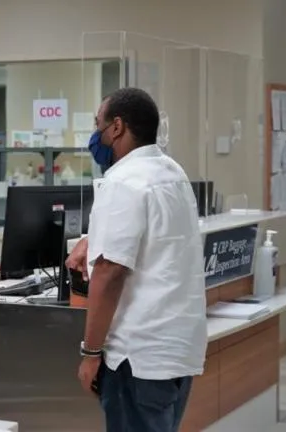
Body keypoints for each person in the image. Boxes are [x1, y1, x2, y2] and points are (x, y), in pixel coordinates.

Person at [67, 88, 207, 432]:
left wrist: (90, 353)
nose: (95, 134)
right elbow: (155, 238)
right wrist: (93, 239)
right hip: (176, 350)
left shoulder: (124, 181)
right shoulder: (172, 172)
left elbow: (110, 272)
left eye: (98, 124)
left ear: (116, 127)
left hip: (136, 356)